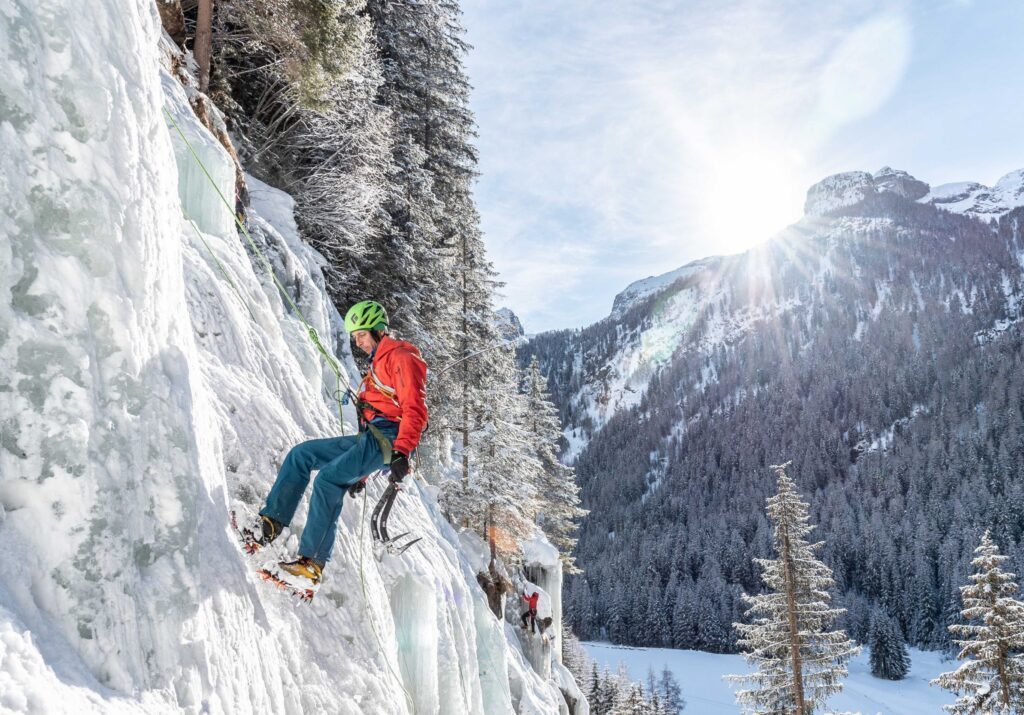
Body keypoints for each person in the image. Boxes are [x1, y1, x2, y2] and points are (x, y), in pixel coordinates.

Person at [250, 300, 428, 589]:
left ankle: (311, 565)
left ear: (377, 331)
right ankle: (270, 524)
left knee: (328, 481)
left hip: (389, 439)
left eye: (361, 335)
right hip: (372, 437)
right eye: (354, 337)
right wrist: (362, 474)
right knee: (302, 455)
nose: (358, 343)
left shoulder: (401, 357)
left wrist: (401, 452)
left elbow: (415, 410)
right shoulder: (379, 362)